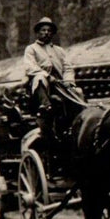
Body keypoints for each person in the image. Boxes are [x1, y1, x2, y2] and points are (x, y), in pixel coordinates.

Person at [23, 17, 79, 149]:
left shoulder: (59, 50)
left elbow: (68, 68)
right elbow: (30, 67)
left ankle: (78, 122)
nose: (46, 33)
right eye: (43, 30)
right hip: (40, 88)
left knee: (78, 93)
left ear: (52, 33)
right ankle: (45, 106)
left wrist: (69, 81)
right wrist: (48, 77)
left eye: (49, 30)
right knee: (40, 77)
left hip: (60, 85)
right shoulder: (31, 49)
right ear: (38, 33)